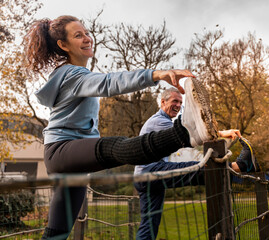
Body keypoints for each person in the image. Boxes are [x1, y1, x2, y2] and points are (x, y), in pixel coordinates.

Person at [23, 15, 221, 240]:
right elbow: (109, 83)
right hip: (62, 151)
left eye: (87, 33)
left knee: (57, 232)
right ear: (63, 45)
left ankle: (186, 133)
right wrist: (156, 74)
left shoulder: (74, 75)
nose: (87, 38)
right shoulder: (71, 74)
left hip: (70, 161)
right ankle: (186, 133)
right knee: (118, 147)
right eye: (78, 35)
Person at [134, 87, 258, 240]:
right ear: (163, 102)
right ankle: (240, 166)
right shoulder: (159, 122)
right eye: (175, 101)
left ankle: (241, 166)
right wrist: (222, 133)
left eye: (180, 102)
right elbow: (188, 136)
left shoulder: (164, 121)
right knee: (198, 169)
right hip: (150, 173)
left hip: (144, 177)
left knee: (149, 227)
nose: (178, 105)